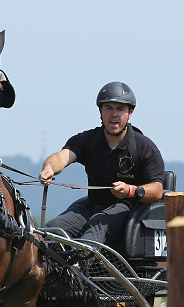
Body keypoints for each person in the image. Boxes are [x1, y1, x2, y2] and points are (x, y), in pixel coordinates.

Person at [39, 81, 165, 247]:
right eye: (108, 108)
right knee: (49, 232)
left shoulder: (145, 147)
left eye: (120, 109)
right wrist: (49, 169)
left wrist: (130, 190)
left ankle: (81, 270)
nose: (114, 114)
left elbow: (157, 190)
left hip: (127, 209)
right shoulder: (87, 140)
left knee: (94, 230)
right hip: (92, 205)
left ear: (130, 113)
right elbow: (61, 158)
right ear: (100, 111)